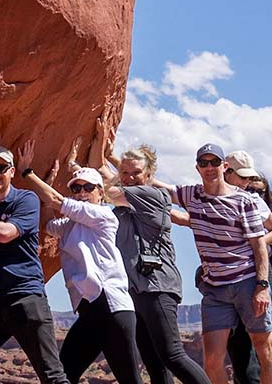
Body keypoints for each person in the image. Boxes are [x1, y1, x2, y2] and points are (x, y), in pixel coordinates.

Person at [75, 124, 212, 384]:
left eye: (135, 172)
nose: (129, 177)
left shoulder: (152, 195)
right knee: (153, 362)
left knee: (172, 354)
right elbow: (102, 173)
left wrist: (99, 166)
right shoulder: (125, 203)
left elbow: (106, 186)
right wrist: (99, 139)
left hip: (156, 286)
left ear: (148, 173)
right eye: (124, 172)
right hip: (133, 290)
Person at [18, 140, 142, 384]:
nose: (82, 192)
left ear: (101, 192)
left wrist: (27, 171)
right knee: (62, 375)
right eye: (76, 189)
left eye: (88, 187)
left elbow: (56, 201)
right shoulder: (72, 224)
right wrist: (47, 196)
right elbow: (50, 225)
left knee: (130, 379)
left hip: (112, 308)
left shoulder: (104, 215)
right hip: (91, 311)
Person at [163, 144, 272, 384]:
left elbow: (269, 235)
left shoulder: (248, 199)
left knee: (265, 344)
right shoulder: (195, 195)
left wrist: (255, 270)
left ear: (223, 167)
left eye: (213, 162)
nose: (247, 183)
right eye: (204, 163)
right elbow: (180, 211)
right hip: (216, 283)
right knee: (224, 356)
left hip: (252, 276)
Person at [0, 145, 69, 384]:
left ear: (11, 171)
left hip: (24, 298)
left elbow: (5, 233)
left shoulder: (25, 199)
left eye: (1, 168)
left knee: (52, 375)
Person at [220, 151, 272, 384]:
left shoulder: (271, 229)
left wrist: (256, 244)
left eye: (259, 191)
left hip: (266, 284)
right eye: (249, 187)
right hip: (231, 282)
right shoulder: (225, 205)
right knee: (241, 353)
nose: (252, 192)